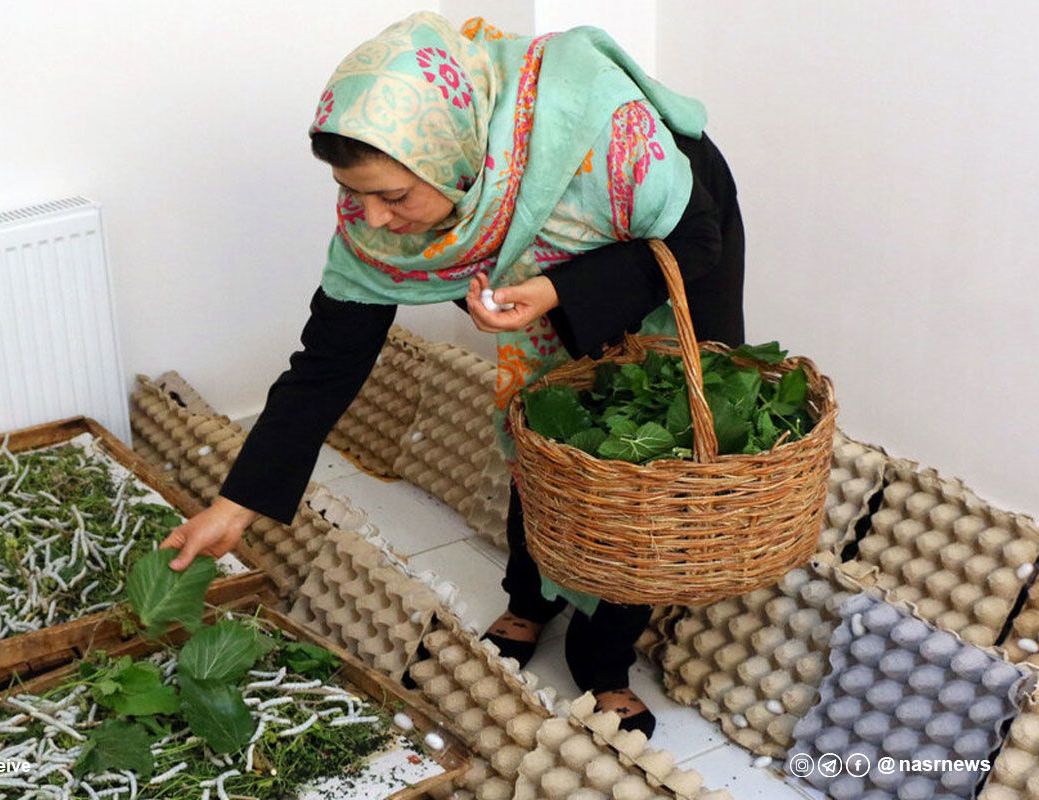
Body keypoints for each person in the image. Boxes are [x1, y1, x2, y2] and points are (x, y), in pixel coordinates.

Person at [160, 12, 744, 738]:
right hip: (564, 244)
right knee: (544, 426)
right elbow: (326, 364)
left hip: (671, 234)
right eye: (353, 191)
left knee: (642, 450)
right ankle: (531, 601)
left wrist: (561, 291)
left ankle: (605, 657)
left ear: (453, 159)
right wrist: (235, 505)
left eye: (394, 197)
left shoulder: (611, 139)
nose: (373, 216)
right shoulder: (398, 204)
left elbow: (697, 240)